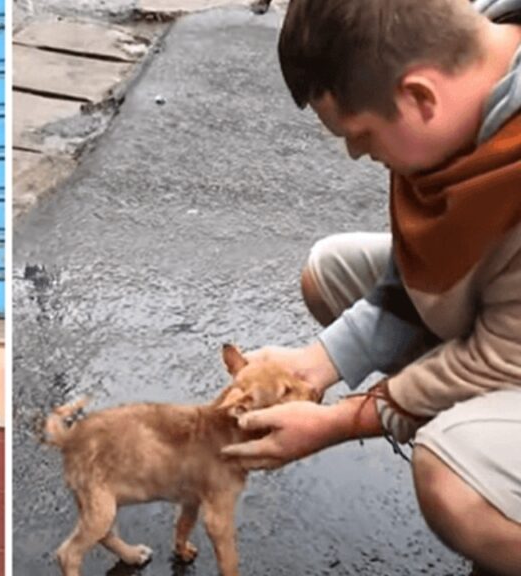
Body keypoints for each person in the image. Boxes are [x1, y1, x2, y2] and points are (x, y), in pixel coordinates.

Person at [220, 1, 521, 574]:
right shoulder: (479, 60)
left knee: (450, 477)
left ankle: (490, 486)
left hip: (513, 350)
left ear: (420, 97)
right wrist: (317, 363)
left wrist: (347, 418)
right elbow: (425, 262)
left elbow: (504, 357)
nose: (356, 153)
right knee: (327, 272)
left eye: (360, 134)